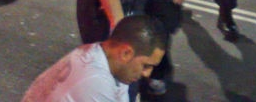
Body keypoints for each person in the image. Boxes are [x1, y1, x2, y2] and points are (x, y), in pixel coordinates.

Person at [21, 15, 167, 102]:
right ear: (126, 53)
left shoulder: (104, 55)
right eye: (146, 66)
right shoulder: (95, 83)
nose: (147, 74)